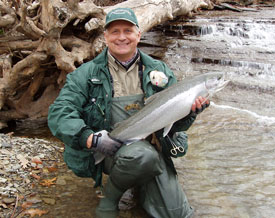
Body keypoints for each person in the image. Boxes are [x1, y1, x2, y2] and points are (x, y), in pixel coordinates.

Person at [48, 7, 209, 218]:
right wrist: (90, 139)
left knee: (178, 214)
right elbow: (59, 113)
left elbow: (174, 126)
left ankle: (139, 183)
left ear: (138, 35)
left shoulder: (159, 70)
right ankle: (110, 198)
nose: (121, 37)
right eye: (115, 31)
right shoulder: (85, 74)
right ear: (105, 37)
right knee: (142, 156)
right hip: (111, 150)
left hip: (153, 150)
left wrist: (190, 112)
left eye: (128, 30)